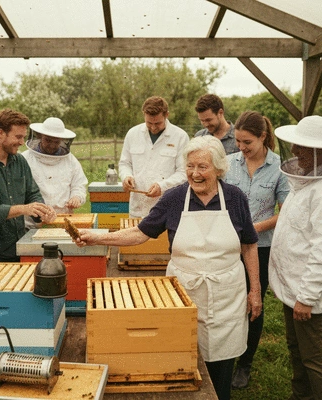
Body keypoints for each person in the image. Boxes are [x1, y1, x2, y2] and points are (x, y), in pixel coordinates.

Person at [76, 135, 262, 400]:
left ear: (219, 169)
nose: (194, 174)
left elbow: (249, 245)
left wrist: (255, 290)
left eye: (202, 167)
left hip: (227, 294)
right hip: (184, 291)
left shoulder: (235, 198)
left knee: (222, 362)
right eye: (190, 166)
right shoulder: (174, 198)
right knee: (180, 356)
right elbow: (140, 233)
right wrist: (98, 237)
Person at [224, 111, 290, 389]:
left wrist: (255, 229)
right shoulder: (228, 164)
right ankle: (224, 356)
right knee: (227, 302)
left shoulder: (281, 169)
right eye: (238, 142)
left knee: (254, 302)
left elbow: (285, 212)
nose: (241, 147)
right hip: (227, 247)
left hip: (262, 248)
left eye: (247, 142)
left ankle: (245, 362)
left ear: (263, 137)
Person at [269, 115, 322, 399]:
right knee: (297, 352)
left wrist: (307, 297)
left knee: (315, 361)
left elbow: (321, 250)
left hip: (309, 298)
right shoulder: (304, 185)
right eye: (295, 145)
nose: (295, 152)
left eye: (303, 147)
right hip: (294, 291)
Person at [0, 108, 56, 262]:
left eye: (23, 137)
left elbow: (32, 193)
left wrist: (42, 210)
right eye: (18, 137)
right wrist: (24, 209)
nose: (21, 142)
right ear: (1, 133)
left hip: (19, 246)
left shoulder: (20, 161)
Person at [119, 96, 189, 218]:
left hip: (168, 208)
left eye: (157, 123)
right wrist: (126, 177)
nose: (153, 127)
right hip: (138, 209)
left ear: (167, 115)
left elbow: (184, 172)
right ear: (144, 115)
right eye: (149, 123)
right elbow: (125, 163)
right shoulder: (133, 134)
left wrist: (162, 186)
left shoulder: (180, 136)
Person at [22, 117, 87, 228]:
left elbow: (79, 184)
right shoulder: (25, 159)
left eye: (56, 141)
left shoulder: (70, 160)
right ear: (39, 136)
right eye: (48, 140)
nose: (52, 145)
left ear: (62, 140)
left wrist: (76, 197)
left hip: (63, 221)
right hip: (31, 225)